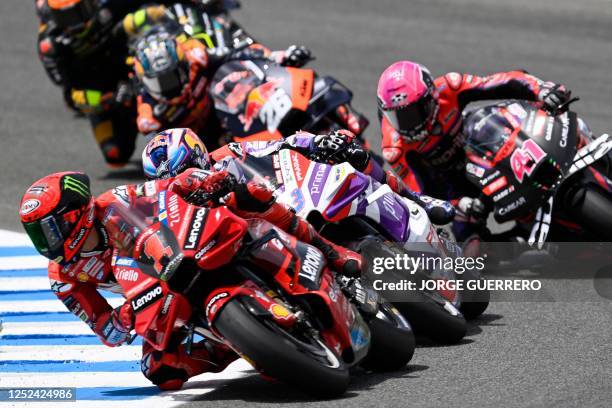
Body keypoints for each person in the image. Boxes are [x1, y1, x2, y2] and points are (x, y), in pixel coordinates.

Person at [19, 169, 360, 390]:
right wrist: (128, 314)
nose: (46, 243)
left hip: (181, 248)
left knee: (247, 194)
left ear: (76, 213)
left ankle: (328, 249)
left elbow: (165, 188)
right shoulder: (64, 278)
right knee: (159, 369)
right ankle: (248, 343)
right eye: (37, 234)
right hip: (156, 295)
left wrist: (198, 182)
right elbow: (106, 330)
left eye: (49, 230)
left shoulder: (116, 202)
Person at [375, 60, 590, 240]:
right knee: (469, 246)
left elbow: (502, 81)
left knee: (506, 116)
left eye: (413, 113)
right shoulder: (394, 148)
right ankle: (515, 247)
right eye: (397, 117)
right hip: (457, 186)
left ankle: (583, 144)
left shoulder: (448, 87)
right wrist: (458, 203)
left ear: (430, 97)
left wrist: (541, 90)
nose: (408, 124)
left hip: (485, 147)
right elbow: (419, 194)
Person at [141, 128, 456, 225]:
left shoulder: (228, 153)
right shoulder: (180, 216)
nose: (184, 181)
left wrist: (317, 143)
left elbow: (277, 145)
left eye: (184, 170)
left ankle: (414, 198)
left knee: (345, 147)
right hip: (264, 233)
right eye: (173, 181)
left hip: (291, 196)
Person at [132, 22, 312, 143]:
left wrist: (279, 56)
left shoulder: (197, 58)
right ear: (146, 82)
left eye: (172, 76)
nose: (168, 86)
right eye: (159, 82)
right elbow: (148, 131)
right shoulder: (148, 110)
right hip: (201, 147)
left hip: (229, 118)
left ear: (183, 64)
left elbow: (236, 52)